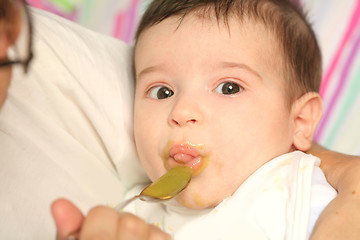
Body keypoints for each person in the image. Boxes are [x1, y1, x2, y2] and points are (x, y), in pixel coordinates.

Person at [0, 1, 358, 239]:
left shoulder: (309, 195)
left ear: (300, 120)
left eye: (229, 87)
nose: (182, 112)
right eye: (161, 92)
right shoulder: (131, 209)